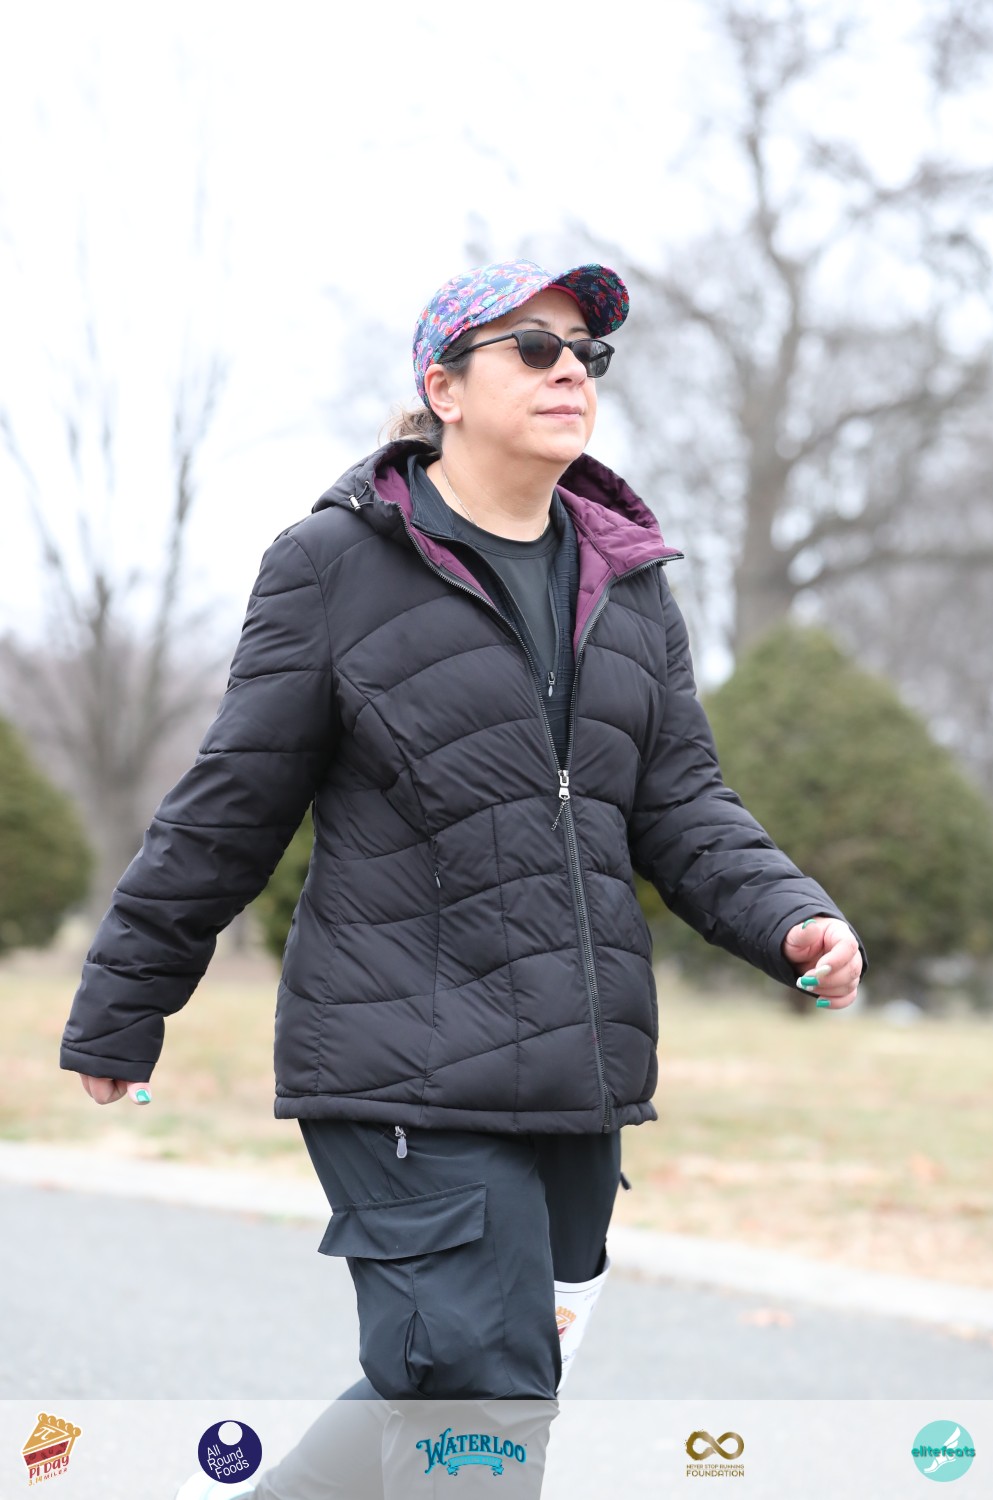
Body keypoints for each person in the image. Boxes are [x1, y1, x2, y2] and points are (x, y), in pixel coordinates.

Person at [60, 258, 865, 1499]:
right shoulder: (335, 564)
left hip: (579, 1076)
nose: (569, 372)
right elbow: (234, 801)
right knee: (482, 1395)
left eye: (586, 354)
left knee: (463, 1378)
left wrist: (792, 917)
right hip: (401, 1065)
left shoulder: (628, 580)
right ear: (443, 388)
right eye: (533, 349)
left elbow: (681, 802)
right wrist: (125, 999)